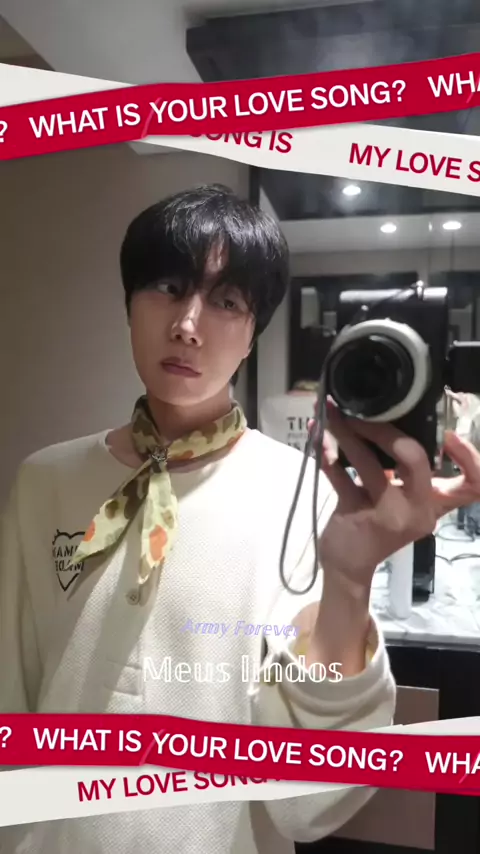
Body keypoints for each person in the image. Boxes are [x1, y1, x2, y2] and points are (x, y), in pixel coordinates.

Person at [2, 184, 480, 854]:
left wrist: (349, 579)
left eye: (226, 302)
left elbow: (309, 801)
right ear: (129, 302)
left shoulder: (304, 496)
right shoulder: (46, 480)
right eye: (168, 287)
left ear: (253, 334)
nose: (187, 324)